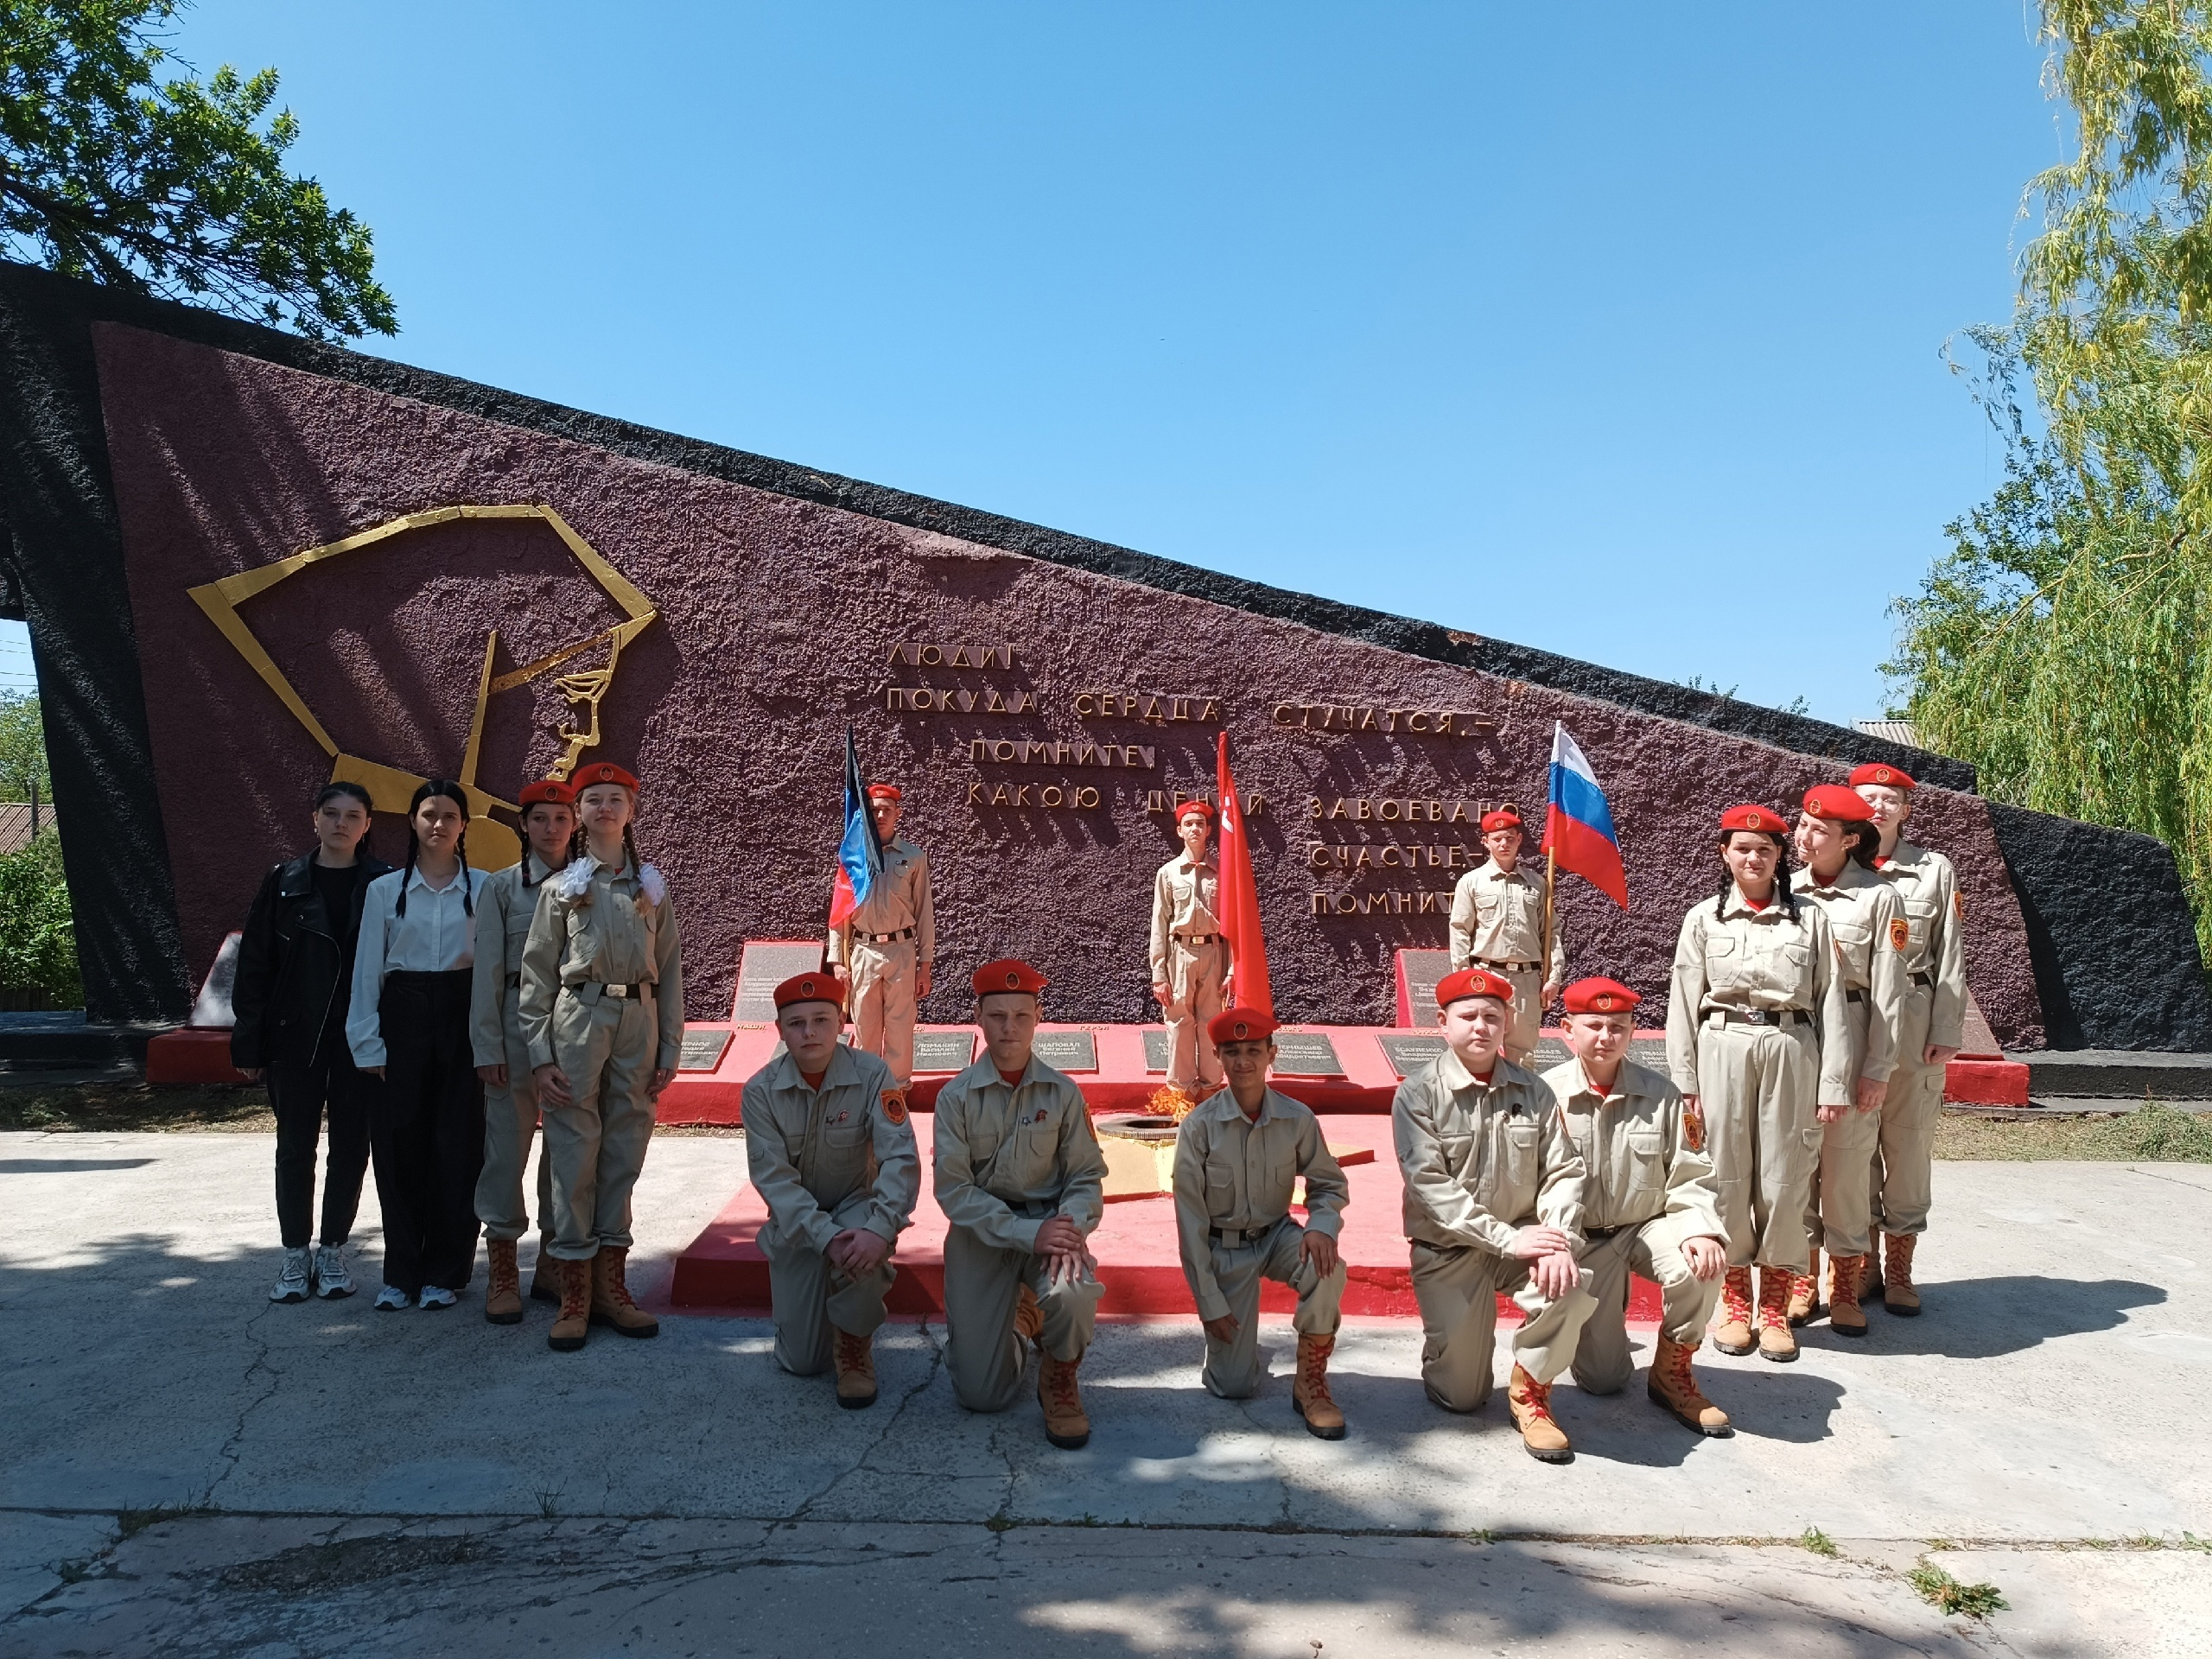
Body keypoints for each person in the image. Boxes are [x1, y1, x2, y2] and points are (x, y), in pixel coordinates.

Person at [1665, 804, 1853, 1363]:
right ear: (1725, 853)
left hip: (1790, 1049)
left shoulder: (1810, 919)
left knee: (1785, 1182)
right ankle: (1734, 1305)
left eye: (1765, 850)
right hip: (1721, 1049)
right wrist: (1686, 1080)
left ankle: (1774, 1310)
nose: (1754, 858)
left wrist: (1833, 1083)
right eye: (1743, 848)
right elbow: (1682, 1003)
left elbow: (1832, 1004)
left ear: (1780, 857)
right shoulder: (1704, 919)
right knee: (1724, 1181)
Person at [1394, 967, 1595, 1463]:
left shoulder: (1534, 1090)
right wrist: (1509, 1239)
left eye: (1492, 1016)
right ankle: (1448, 1354)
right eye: (1468, 1016)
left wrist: (1556, 1237)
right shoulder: (1417, 1094)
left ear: (1506, 1024)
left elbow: (1565, 1171)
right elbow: (1429, 1187)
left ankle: (1531, 1394)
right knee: (1461, 1399)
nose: (1480, 1026)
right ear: (1443, 1023)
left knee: (1570, 1284)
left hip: (1523, 1241)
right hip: (1451, 1249)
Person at [520, 760, 685, 1352]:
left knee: (624, 1148)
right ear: (581, 814)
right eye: (594, 800)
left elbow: (669, 971)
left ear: (632, 811)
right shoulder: (562, 888)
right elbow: (536, 975)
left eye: (617, 799)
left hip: (637, 1019)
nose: (606, 808)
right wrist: (540, 1055)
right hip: (579, 1016)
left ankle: (611, 1289)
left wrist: (671, 1045)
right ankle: (573, 1294)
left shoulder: (652, 887)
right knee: (571, 1149)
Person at [1541, 978, 1731, 1437]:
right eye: (1594, 1025)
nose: (1606, 1036)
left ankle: (1672, 1374)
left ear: (1631, 1031)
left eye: (1618, 1026)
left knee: (1701, 1267)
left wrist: (1698, 1229)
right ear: (1568, 1030)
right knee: (1605, 1383)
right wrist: (1554, 1243)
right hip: (1582, 1240)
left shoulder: (1662, 1095)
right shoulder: (1543, 1096)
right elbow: (1537, 1184)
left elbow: (1692, 1172)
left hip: (1645, 1227)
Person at [932, 959, 1108, 1449]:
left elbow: (1085, 1175)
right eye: (997, 1016)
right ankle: (1021, 1317)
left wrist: (1069, 1228)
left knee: (1074, 1289)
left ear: (1038, 1017)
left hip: (1049, 1228)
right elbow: (954, 1192)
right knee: (980, 1396)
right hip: (981, 1235)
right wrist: (1029, 1234)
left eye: (1021, 1016)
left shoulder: (1064, 1093)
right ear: (979, 1017)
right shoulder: (956, 1098)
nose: (1009, 1028)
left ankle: (1059, 1377)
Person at [232, 780, 393, 1304]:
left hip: (359, 1039)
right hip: (294, 1036)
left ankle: (333, 1249)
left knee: (352, 1146)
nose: (341, 823)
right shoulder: (284, 882)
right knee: (295, 1148)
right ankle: (294, 1254)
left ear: (368, 825)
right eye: (332, 813)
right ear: (315, 820)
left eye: (353, 815)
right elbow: (255, 966)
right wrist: (249, 1043)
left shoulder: (385, 884)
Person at [741, 970, 919, 1408]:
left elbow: (901, 1158)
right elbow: (775, 1182)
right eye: (797, 1023)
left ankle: (855, 1345)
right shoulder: (760, 1093)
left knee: (865, 1250)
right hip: (798, 1223)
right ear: (781, 1030)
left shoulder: (874, 1075)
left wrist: (881, 1228)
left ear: (841, 1023)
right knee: (803, 1362)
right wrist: (824, 1237)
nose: (810, 1033)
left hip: (857, 1204)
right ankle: (825, 1312)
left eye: (821, 1020)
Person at [1171, 1007, 1351, 1438]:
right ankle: (1235, 1351)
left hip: (1277, 1236)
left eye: (1254, 1050)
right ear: (1217, 1057)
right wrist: (1209, 1304)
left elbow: (1328, 1183)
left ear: (1273, 1053)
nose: (1243, 1061)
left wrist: (1322, 1224)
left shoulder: (1297, 1118)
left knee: (1327, 1268)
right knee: (1232, 1387)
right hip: (1223, 1249)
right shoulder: (1199, 1128)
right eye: (1231, 1052)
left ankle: (1310, 1381)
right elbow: (1190, 1226)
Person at [346, 779, 486, 1312]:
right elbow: (366, 973)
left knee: (457, 1145)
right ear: (412, 821)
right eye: (429, 815)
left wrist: (489, 1041)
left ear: (463, 826)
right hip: (401, 1016)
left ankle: (444, 1272)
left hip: (461, 1015)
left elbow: (493, 969)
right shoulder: (385, 890)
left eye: (449, 816)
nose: (438, 825)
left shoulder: (484, 886)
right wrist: (368, 1043)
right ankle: (400, 1271)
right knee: (399, 1146)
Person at [1788, 784, 1905, 1336]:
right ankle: (1802, 1280)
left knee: (1847, 1171)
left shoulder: (1879, 899)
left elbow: (1888, 992)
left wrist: (1877, 1069)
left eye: (1818, 831)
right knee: (1800, 1165)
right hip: (1801, 1037)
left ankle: (1845, 1285)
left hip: (1856, 1033)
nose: (1803, 837)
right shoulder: (1788, 892)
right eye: (1802, 826)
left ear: (1850, 840)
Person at [1852, 762, 1966, 1317]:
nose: (1878, 806)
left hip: (1916, 1021)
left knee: (1908, 1147)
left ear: (1906, 809)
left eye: (1889, 799)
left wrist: (1946, 1028)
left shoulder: (1932, 870)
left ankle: (1899, 1270)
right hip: (1853, 1021)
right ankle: (1859, 1265)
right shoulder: (1839, 865)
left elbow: (1950, 952)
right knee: (1852, 1154)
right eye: (1867, 797)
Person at [467, 777, 575, 1325]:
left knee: (565, 1152)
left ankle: (555, 1265)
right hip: (512, 1030)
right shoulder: (502, 888)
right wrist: (486, 1044)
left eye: (560, 819)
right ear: (523, 826)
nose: (550, 828)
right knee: (507, 1153)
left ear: (574, 824)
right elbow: (487, 970)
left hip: (574, 1028)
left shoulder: (592, 884)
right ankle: (503, 1267)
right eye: (539, 819)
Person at [828, 783, 933, 1087]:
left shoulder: (913, 857)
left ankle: (896, 1092)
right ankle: (867, 1088)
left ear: (898, 813)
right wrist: (837, 961)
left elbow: (925, 913)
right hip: (863, 951)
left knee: (901, 1027)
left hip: (902, 949)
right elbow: (839, 913)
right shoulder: (854, 859)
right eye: (874, 810)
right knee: (865, 1025)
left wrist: (924, 965)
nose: (881, 815)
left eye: (887, 809)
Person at [1446, 808, 1566, 1065]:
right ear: (1485, 841)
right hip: (1486, 976)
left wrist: (1553, 977)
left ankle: (1519, 1105)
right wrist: (1463, 977)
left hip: (1527, 981)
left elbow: (1551, 933)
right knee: (1478, 1050)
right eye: (1497, 838)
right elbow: (1459, 930)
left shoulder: (1537, 884)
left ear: (1519, 840)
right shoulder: (1472, 882)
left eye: (1510, 838)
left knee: (1522, 1057)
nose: (1504, 844)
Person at [1150, 799, 1230, 1103]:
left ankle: (1211, 1092)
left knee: (1212, 1022)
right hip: (1180, 954)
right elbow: (1159, 923)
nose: (1195, 829)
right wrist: (1159, 973)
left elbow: (1233, 925)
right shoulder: (1168, 873)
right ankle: (1180, 1097)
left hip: (1214, 952)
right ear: (1179, 831)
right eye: (1189, 824)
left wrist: (1233, 969)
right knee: (1179, 1022)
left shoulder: (1223, 872)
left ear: (1209, 830)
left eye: (1200, 824)